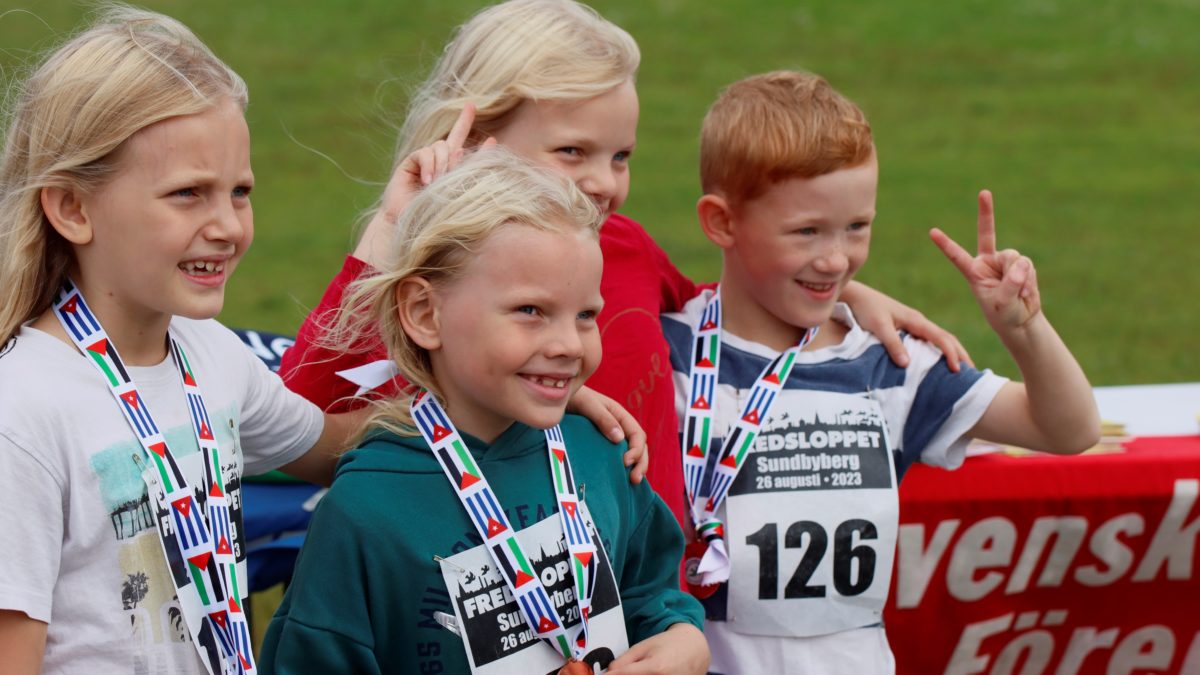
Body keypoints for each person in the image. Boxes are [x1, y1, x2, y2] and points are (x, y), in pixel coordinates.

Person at [277, 0, 972, 531]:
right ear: (475, 139)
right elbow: (296, 422)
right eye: (573, 152)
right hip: (509, 609)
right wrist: (392, 234)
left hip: (653, 609)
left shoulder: (627, 246)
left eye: (621, 156)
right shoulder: (433, 285)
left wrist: (840, 291)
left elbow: (712, 310)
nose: (605, 182)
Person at [660, 70, 1101, 674]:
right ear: (722, 222)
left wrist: (1023, 330)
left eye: (857, 227)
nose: (837, 257)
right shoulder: (668, 354)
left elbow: (1069, 430)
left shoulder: (888, 361)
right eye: (807, 231)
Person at [0, 8, 361, 672]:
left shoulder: (210, 353)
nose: (227, 225)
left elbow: (337, 449)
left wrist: (516, 398)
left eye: (240, 191)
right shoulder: (21, 410)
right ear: (73, 208)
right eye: (188, 194)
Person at [259, 148, 709, 674]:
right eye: (531, 311)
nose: (568, 343)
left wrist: (681, 635)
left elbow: (648, 590)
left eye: (586, 314)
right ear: (425, 313)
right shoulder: (365, 509)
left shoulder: (600, 454)